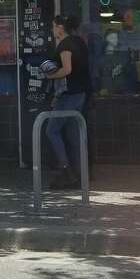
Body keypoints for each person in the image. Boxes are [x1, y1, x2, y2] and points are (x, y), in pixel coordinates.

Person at [45, 15, 91, 190]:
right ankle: (80, 174)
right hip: (81, 94)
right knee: (73, 134)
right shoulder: (79, 42)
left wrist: (50, 74)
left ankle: (66, 170)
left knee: (52, 130)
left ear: (61, 28)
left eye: (54, 26)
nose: (52, 30)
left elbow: (67, 69)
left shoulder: (65, 45)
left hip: (68, 94)